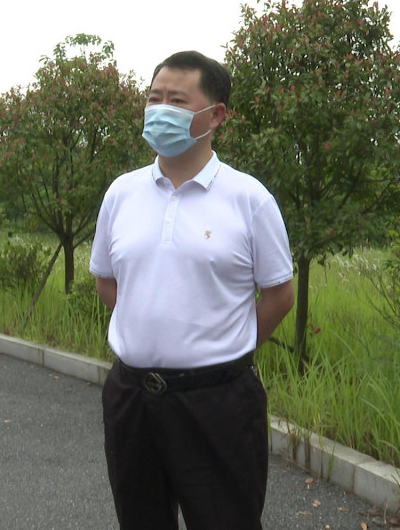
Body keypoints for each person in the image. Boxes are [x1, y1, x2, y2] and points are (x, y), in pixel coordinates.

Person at [89, 50, 296, 530]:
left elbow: (279, 295)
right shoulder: (121, 193)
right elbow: (106, 280)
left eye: (177, 101)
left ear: (216, 115)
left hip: (218, 403)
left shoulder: (249, 199)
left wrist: (224, 348)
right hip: (132, 397)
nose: (161, 109)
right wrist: (150, 327)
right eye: (154, 98)